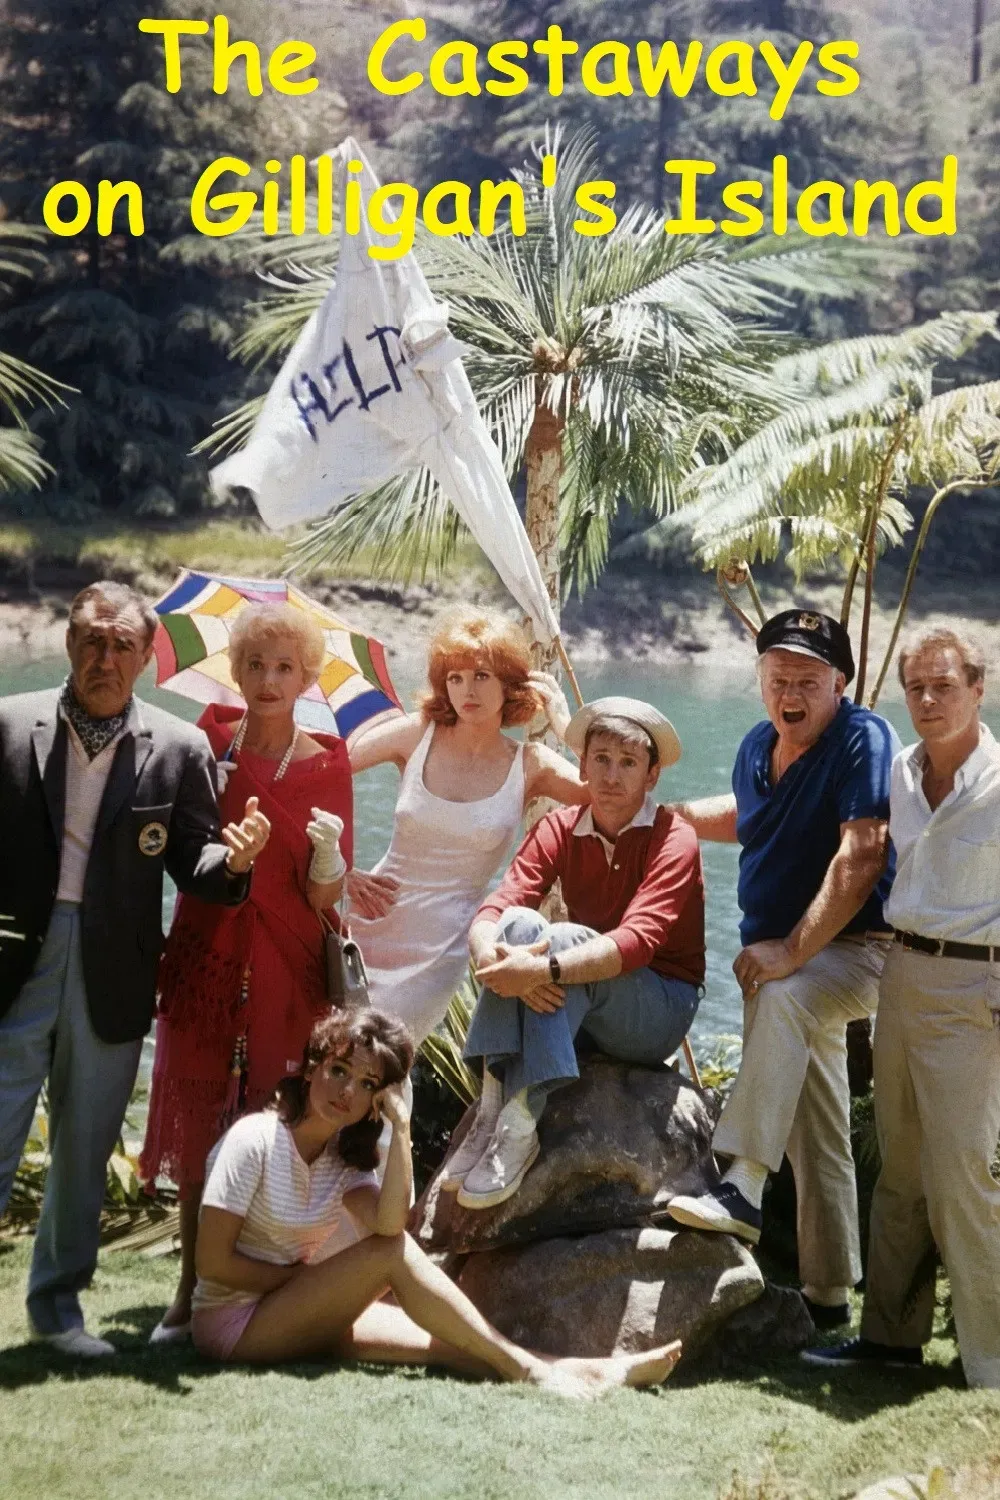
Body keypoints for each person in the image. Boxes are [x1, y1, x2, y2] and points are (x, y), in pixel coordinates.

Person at [0, 580, 270, 1358]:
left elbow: (197, 865)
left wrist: (236, 860)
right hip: (15, 959)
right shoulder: (12, 726)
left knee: (84, 1149)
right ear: (68, 643)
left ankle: (56, 1314)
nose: (104, 657)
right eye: (91, 639)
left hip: (114, 971)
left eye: (122, 645)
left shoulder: (179, 747)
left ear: (147, 658)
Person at [191, 1005, 682, 1395]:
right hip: (234, 1325)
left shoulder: (340, 1161)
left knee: (449, 1343)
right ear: (311, 1067)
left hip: (293, 1308)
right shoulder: (254, 1140)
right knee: (395, 1263)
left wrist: (401, 1129)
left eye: (366, 1085)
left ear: (374, 1102)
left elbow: (388, 1226)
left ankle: (589, 1372)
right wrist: (298, 1281)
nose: (346, 1092)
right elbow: (212, 1264)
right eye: (339, 1070)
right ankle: (537, 1375)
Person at [666, 609, 900, 1330]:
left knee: (791, 999)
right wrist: (667, 816)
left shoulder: (862, 737)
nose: (789, 691)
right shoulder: (755, 746)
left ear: (839, 683)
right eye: (777, 677)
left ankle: (740, 1183)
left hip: (857, 952)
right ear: (761, 680)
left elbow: (862, 854)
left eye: (806, 679)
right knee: (813, 1123)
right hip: (780, 958)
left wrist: (792, 950)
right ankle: (829, 1300)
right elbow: (750, 815)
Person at [140, 602, 354, 1344]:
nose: (269, 679)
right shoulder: (207, 741)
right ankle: (187, 1290)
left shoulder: (331, 758)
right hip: (207, 953)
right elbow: (182, 849)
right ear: (235, 671)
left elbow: (329, 899)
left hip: (289, 968)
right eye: (256, 665)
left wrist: (328, 856)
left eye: (285, 667)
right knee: (203, 1125)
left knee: (266, 1123)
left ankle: (254, 1282)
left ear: (307, 677)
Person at [803, 629, 1000, 1386]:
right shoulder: (900, 773)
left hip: (979, 988)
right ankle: (890, 1339)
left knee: (963, 1175)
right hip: (904, 973)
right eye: (916, 686)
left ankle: (987, 1362)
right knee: (902, 1173)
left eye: (943, 686)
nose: (926, 700)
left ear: (977, 688)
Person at [446, 696, 705, 1210]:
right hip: (581, 995)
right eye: (601, 759)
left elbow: (638, 941)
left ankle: (523, 1120)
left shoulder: (674, 838)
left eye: (628, 763)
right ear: (583, 765)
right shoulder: (561, 827)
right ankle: (493, 1104)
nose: (611, 776)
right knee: (519, 923)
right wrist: (490, 959)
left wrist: (544, 969)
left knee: (560, 938)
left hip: (657, 1008)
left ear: (651, 776)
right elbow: (502, 902)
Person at [344, 607, 588, 1049]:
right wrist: (339, 865)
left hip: (444, 945)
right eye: (455, 678)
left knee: (384, 1053)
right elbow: (317, 775)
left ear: (510, 684)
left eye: (481, 676)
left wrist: (567, 728)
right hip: (367, 923)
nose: (466, 690)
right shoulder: (416, 734)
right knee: (336, 1058)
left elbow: (611, 795)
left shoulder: (529, 764)